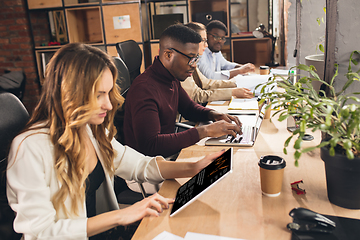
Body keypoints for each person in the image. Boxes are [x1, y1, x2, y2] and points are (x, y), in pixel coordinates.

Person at [6, 43, 227, 240]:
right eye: (99, 95)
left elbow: (138, 165)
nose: (109, 105)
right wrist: (122, 215)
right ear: (69, 93)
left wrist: (193, 167)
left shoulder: (89, 129)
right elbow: (41, 232)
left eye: (109, 93)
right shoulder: (30, 148)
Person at [123, 24, 242, 158]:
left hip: (166, 154)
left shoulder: (171, 77)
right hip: (148, 166)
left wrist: (214, 115)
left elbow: (189, 108)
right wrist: (205, 131)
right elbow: (151, 145)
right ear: (168, 54)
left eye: (196, 58)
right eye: (191, 58)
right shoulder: (145, 89)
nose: (194, 65)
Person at [182, 22, 253, 104]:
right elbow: (197, 95)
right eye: (204, 41)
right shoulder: (183, 64)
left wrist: (236, 84)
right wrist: (233, 92)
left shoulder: (191, 60)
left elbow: (207, 83)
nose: (206, 45)